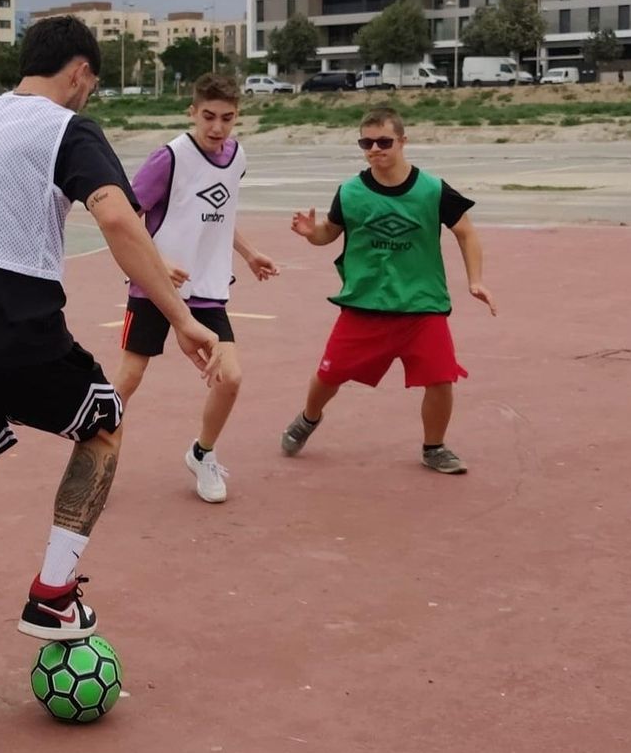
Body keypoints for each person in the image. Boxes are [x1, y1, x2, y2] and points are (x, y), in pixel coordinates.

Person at [0, 16, 221, 720]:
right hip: (11, 320)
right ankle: (54, 593)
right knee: (104, 421)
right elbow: (116, 216)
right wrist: (180, 316)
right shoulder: (66, 129)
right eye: (92, 82)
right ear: (80, 72)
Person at [280, 106, 496, 473]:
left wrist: (475, 279)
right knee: (329, 375)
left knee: (441, 379)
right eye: (367, 142)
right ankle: (308, 418)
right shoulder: (350, 192)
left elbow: (466, 232)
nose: (375, 149)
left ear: (402, 141)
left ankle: (434, 447)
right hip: (366, 303)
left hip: (421, 305)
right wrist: (311, 233)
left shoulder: (433, 189)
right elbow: (328, 234)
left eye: (384, 141)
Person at [111, 74, 278, 504]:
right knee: (129, 377)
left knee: (230, 376)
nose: (217, 127)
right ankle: (94, 459)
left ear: (237, 116)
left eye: (227, 118)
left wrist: (248, 252)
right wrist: (157, 262)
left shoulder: (237, 156)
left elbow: (219, 211)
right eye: (208, 116)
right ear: (192, 112)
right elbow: (128, 216)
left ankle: (202, 453)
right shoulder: (168, 158)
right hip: (153, 288)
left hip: (207, 288)